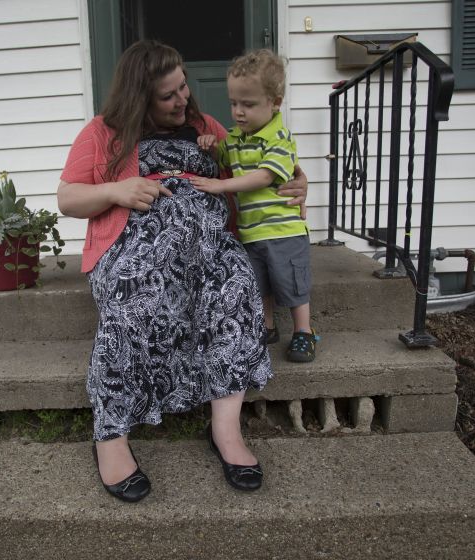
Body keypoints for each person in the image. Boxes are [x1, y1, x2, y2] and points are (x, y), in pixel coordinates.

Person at [56, 40, 308, 502]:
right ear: (139, 98)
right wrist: (116, 189)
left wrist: (298, 177)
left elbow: (266, 155)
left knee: (235, 284)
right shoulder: (102, 132)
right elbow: (68, 198)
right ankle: (111, 436)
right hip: (135, 247)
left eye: (184, 87)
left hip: (209, 245)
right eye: (169, 94)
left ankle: (226, 431)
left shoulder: (206, 128)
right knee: (135, 297)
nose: (185, 99)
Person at [192, 49, 318, 363]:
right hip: (251, 232)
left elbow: (263, 176)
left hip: (283, 230)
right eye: (234, 103)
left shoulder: (280, 137)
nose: (238, 112)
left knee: (291, 282)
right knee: (259, 282)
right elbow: (223, 158)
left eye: (248, 104)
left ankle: (304, 331)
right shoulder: (235, 138)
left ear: (275, 102)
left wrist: (222, 185)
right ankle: (267, 326)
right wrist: (210, 147)